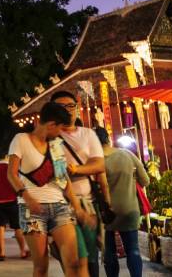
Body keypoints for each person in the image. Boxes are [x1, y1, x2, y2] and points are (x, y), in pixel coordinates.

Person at [7, 102, 87, 277]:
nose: (61, 133)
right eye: (60, 128)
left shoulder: (56, 145)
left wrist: (78, 208)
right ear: (51, 125)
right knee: (41, 266)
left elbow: (63, 180)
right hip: (31, 211)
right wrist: (27, 197)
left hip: (59, 206)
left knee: (73, 262)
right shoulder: (20, 139)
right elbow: (11, 174)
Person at [52, 90, 105, 277]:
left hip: (89, 203)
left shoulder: (88, 134)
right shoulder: (50, 138)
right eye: (60, 107)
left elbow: (99, 165)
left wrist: (75, 170)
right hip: (62, 208)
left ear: (77, 108)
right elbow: (59, 175)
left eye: (70, 106)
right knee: (74, 261)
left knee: (91, 259)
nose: (66, 110)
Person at [95, 127, 148, 277]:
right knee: (133, 250)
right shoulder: (127, 154)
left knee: (110, 254)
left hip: (106, 213)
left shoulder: (95, 162)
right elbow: (145, 180)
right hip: (129, 209)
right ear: (108, 139)